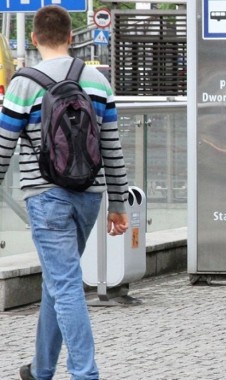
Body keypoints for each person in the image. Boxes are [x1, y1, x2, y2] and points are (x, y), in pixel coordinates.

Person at [0, 6, 130, 380]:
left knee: (65, 284)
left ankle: (85, 373)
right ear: (71, 38)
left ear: (35, 39)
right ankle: (41, 369)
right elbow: (112, 150)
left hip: (44, 196)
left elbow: (4, 147)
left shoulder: (24, 83)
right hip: (89, 196)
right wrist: (117, 204)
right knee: (59, 280)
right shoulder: (98, 82)